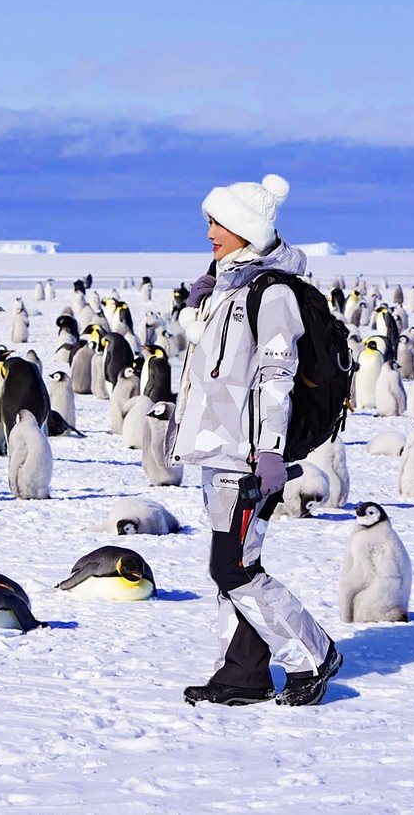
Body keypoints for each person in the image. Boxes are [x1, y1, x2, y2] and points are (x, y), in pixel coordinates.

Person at [168, 174, 343, 707]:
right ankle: (242, 671)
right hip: (216, 451)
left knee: (235, 566)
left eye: (218, 223)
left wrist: (269, 449)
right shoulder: (228, 289)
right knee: (229, 566)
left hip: (247, 456)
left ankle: (312, 654)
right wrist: (200, 306)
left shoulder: (273, 294)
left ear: (245, 229)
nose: (209, 234)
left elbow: (275, 373)